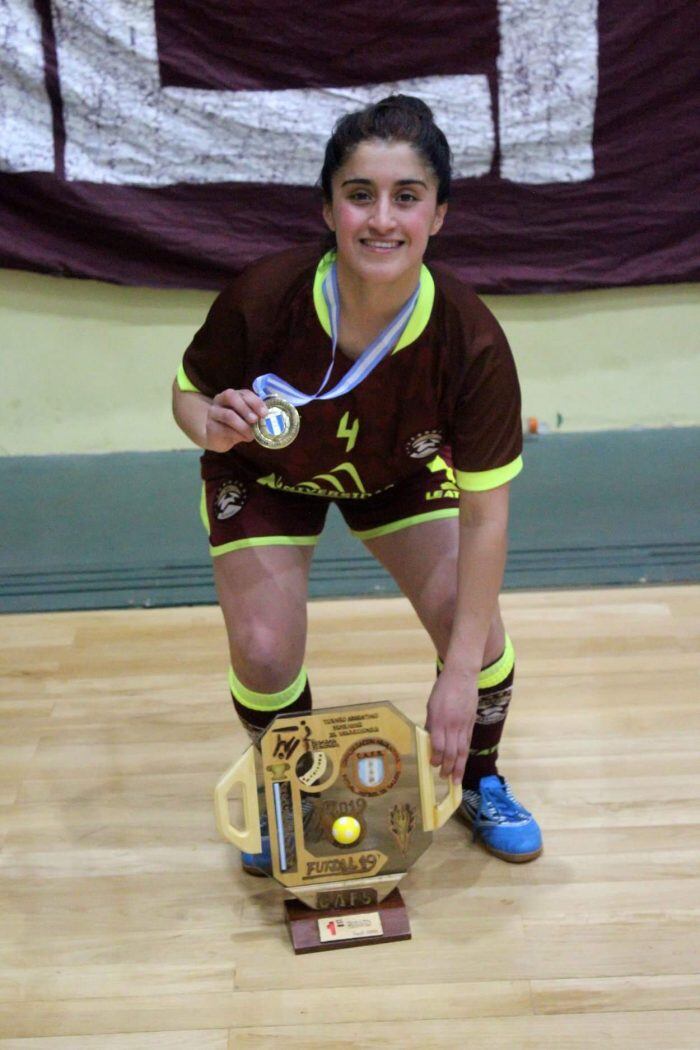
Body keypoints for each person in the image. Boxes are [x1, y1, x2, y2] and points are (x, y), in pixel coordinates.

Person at [172, 95, 542, 872]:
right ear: (329, 207)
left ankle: (479, 778)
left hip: (396, 477)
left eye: (407, 197)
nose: (383, 219)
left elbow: (487, 519)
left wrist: (461, 674)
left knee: (479, 634)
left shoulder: (470, 341)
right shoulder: (265, 296)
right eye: (360, 194)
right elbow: (188, 394)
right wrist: (210, 424)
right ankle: (291, 790)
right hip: (267, 473)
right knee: (266, 650)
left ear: (438, 214)